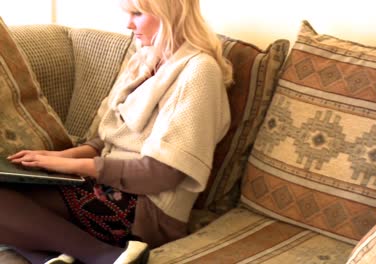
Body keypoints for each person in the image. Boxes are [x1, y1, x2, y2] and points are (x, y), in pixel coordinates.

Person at [0, 0, 232, 263]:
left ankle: (108, 257)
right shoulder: (144, 58)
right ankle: (60, 256)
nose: (128, 24)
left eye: (137, 14)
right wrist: (57, 159)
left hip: (145, 207)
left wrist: (71, 167)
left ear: (171, 13)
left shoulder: (200, 72)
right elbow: (106, 139)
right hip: (104, 185)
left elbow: (163, 175)